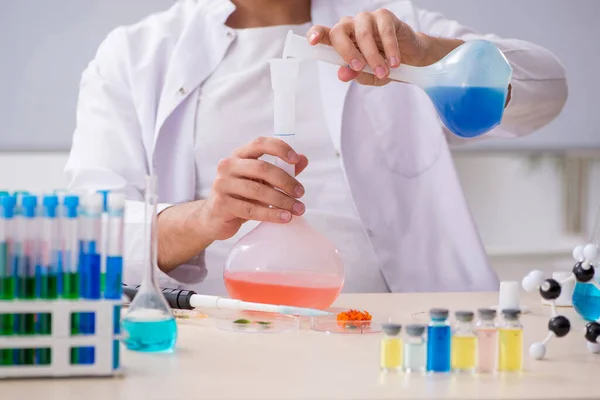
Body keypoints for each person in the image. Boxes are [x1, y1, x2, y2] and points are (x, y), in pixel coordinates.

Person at [65, 0, 567, 295]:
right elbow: (93, 231)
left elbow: (546, 90)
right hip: (226, 338)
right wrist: (203, 218)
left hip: (402, 333)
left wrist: (432, 58)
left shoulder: (389, 25)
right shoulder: (136, 54)